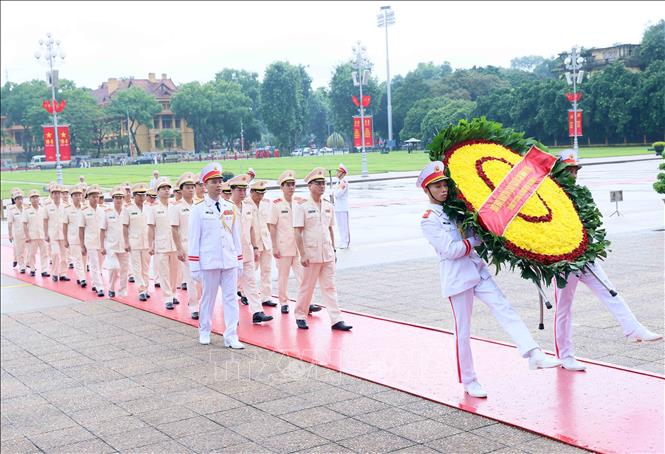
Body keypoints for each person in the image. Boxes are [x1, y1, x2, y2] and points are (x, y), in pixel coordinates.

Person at [418, 161, 561, 398]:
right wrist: (475, 241)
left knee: (505, 308)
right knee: (463, 331)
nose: (443, 189)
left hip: (477, 270)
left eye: (444, 184)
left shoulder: (457, 208)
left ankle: (533, 353)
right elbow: (450, 250)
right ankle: (469, 380)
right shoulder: (428, 218)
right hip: (457, 277)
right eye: (437, 186)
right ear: (427, 190)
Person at [553, 152, 662, 371]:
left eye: (575, 170)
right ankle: (564, 355)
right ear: (559, 173)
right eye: (569, 170)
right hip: (563, 261)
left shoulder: (580, 194)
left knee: (610, 291)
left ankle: (633, 329)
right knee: (564, 308)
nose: (573, 174)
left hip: (585, 257)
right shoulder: (550, 196)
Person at [188, 163, 244, 347]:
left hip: (229, 260)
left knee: (231, 298)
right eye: (214, 182)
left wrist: (239, 260)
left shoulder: (230, 206)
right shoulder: (198, 209)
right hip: (209, 261)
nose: (219, 185)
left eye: (220, 181)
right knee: (208, 298)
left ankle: (231, 335)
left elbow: (236, 235)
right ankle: (204, 330)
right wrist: (194, 265)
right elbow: (194, 239)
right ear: (205, 185)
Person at [292, 167, 352, 331]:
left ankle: (336, 319)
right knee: (307, 286)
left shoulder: (327, 205)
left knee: (330, 287)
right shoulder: (302, 206)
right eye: (317, 183)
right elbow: (297, 231)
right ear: (309, 186)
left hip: (326, 253)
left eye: (323, 183)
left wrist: (333, 250)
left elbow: (330, 229)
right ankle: (300, 315)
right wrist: (302, 254)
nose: (321, 186)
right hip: (311, 254)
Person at [268, 170, 322, 315]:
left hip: (298, 248)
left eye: (293, 185)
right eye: (288, 185)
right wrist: (274, 246)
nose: (291, 188)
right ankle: (284, 302)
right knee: (283, 277)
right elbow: (272, 226)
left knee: (303, 277)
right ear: (282, 187)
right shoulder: (276, 204)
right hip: (283, 246)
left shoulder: (299, 202)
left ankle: (308, 303)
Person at [229, 174, 273, 324]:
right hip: (231, 253)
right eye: (239, 190)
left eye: (244, 190)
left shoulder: (247, 207)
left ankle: (257, 312)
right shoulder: (226, 208)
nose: (243, 193)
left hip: (247, 250)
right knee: (230, 285)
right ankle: (231, 315)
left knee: (251, 282)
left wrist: (255, 247)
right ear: (232, 190)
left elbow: (253, 229)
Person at [171, 172, 201, 319]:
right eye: (187, 187)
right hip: (186, 246)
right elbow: (174, 229)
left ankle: (201, 303)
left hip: (201, 246)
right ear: (181, 190)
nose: (190, 190)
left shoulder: (200, 204)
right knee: (190, 278)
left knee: (203, 279)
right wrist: (179, 248)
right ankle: (194, 306)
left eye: (192, 187)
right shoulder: (176, 206)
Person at [147, 177, 179, 310]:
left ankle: (173, 293)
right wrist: (150, 244)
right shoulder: (153, 208)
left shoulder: (175, 206)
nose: (166, 190)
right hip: (161, 245)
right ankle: (167, 298)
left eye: (168, 188)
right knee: (164, 272)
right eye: (163, 189)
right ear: (157, 191)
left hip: (175, 245)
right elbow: (151, 228)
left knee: (174, 272)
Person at [249, 179, 276, 307]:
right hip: (252, 243)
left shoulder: (267, 203)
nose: (261, 196)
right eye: (258, 193)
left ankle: (266, 297)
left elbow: (270, 223)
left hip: (266, 242)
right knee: (250, 271)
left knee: (267, 270)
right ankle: (244, 293)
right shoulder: (245, 204)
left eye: (263, 193)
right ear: (252, 192)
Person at [122, 183, 151, 302]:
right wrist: (126, 243)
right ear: (135, 196)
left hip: (146, 243)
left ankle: (146, 288)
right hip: (134, 242)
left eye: (144, 195)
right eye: (140, 195)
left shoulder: (149, 208)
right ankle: (141, 289)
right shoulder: (128, 209)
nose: (143, 197)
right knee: (136, 267)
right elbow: (124, 227)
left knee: (146, 268)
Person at [100, 187, 129, 297]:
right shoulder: (107, 212)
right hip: (111, 245)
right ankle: (111, 287)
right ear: (113, 199)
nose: (118, 199)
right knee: (114, 268)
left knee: (124, 270)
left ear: (123, 198)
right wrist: (102, 246)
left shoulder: (127, 211)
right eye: (116, 197)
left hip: (124, 245)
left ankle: (122, 290)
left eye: (120, 197)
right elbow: (102, 230)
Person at [79, 185, 105, 297]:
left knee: (99, 265)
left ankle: (95, 283)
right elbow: (81, 229)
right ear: (88, 198)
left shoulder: (103, 210)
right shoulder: (83, 211)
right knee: (94, 265)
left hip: (101, 242)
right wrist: (81, 245)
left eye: (97, 196)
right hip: (90, 242)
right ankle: (100, 287)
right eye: (93, 196)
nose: (95, 199)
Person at [44, 185, 70, 282]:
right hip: (53, 234)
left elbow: (69, 221)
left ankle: (63, 273)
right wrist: (46, 234)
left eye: (58, 193)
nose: (57, 195)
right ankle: (54, 273)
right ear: (51, 195)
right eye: (55, 193)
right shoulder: (48, 207)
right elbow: (45, 220)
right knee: (55, 253)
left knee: (64, 255)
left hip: (64, 235)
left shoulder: (66, 206)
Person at [22, 190, 49, 278]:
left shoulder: (43, 209)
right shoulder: (27, 211)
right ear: (30, 199)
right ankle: (32, 269)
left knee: (44, 253)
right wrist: (27, 236)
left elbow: (46, 222)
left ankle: (44, 270)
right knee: (32, 254)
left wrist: (47, 234)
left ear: (39, 198)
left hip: (42, 235)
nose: (35, 199)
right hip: (32, 236)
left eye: (36, 197)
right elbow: (24, 224)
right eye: (33, 197)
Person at [63, 185, 86, 287]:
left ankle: (80, 276)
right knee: (77, 259)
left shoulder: (85, 208)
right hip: (74, 238)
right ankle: (82, 278)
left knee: (84, 259)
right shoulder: (67, 209)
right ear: (71, 197)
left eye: (79, 195)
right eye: (75, 195)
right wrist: (65, 240)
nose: (78, 197)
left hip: (86, 238)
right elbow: (65, 225)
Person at [7, 189, 27, 274]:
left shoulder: (26, 208)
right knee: (19, 250)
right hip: (17, 233)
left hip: (27, 233)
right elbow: (10, 223)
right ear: (14, 200)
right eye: (18, 199)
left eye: (21, 198)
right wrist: (10, 234)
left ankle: (26, 263)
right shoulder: (11, 209)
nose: (20, 200)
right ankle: (22, 266)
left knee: (27, 250)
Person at [333, 163, 350, 249]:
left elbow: (337, 194)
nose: (337, 172)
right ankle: (342, 240)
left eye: (338, 171)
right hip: (338, 207)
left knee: (344, 225)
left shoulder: (344, 182)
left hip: (343, 207)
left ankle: (345, 241)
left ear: (342, 173)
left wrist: (334, 192)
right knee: (340, 225)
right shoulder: (338, 182)